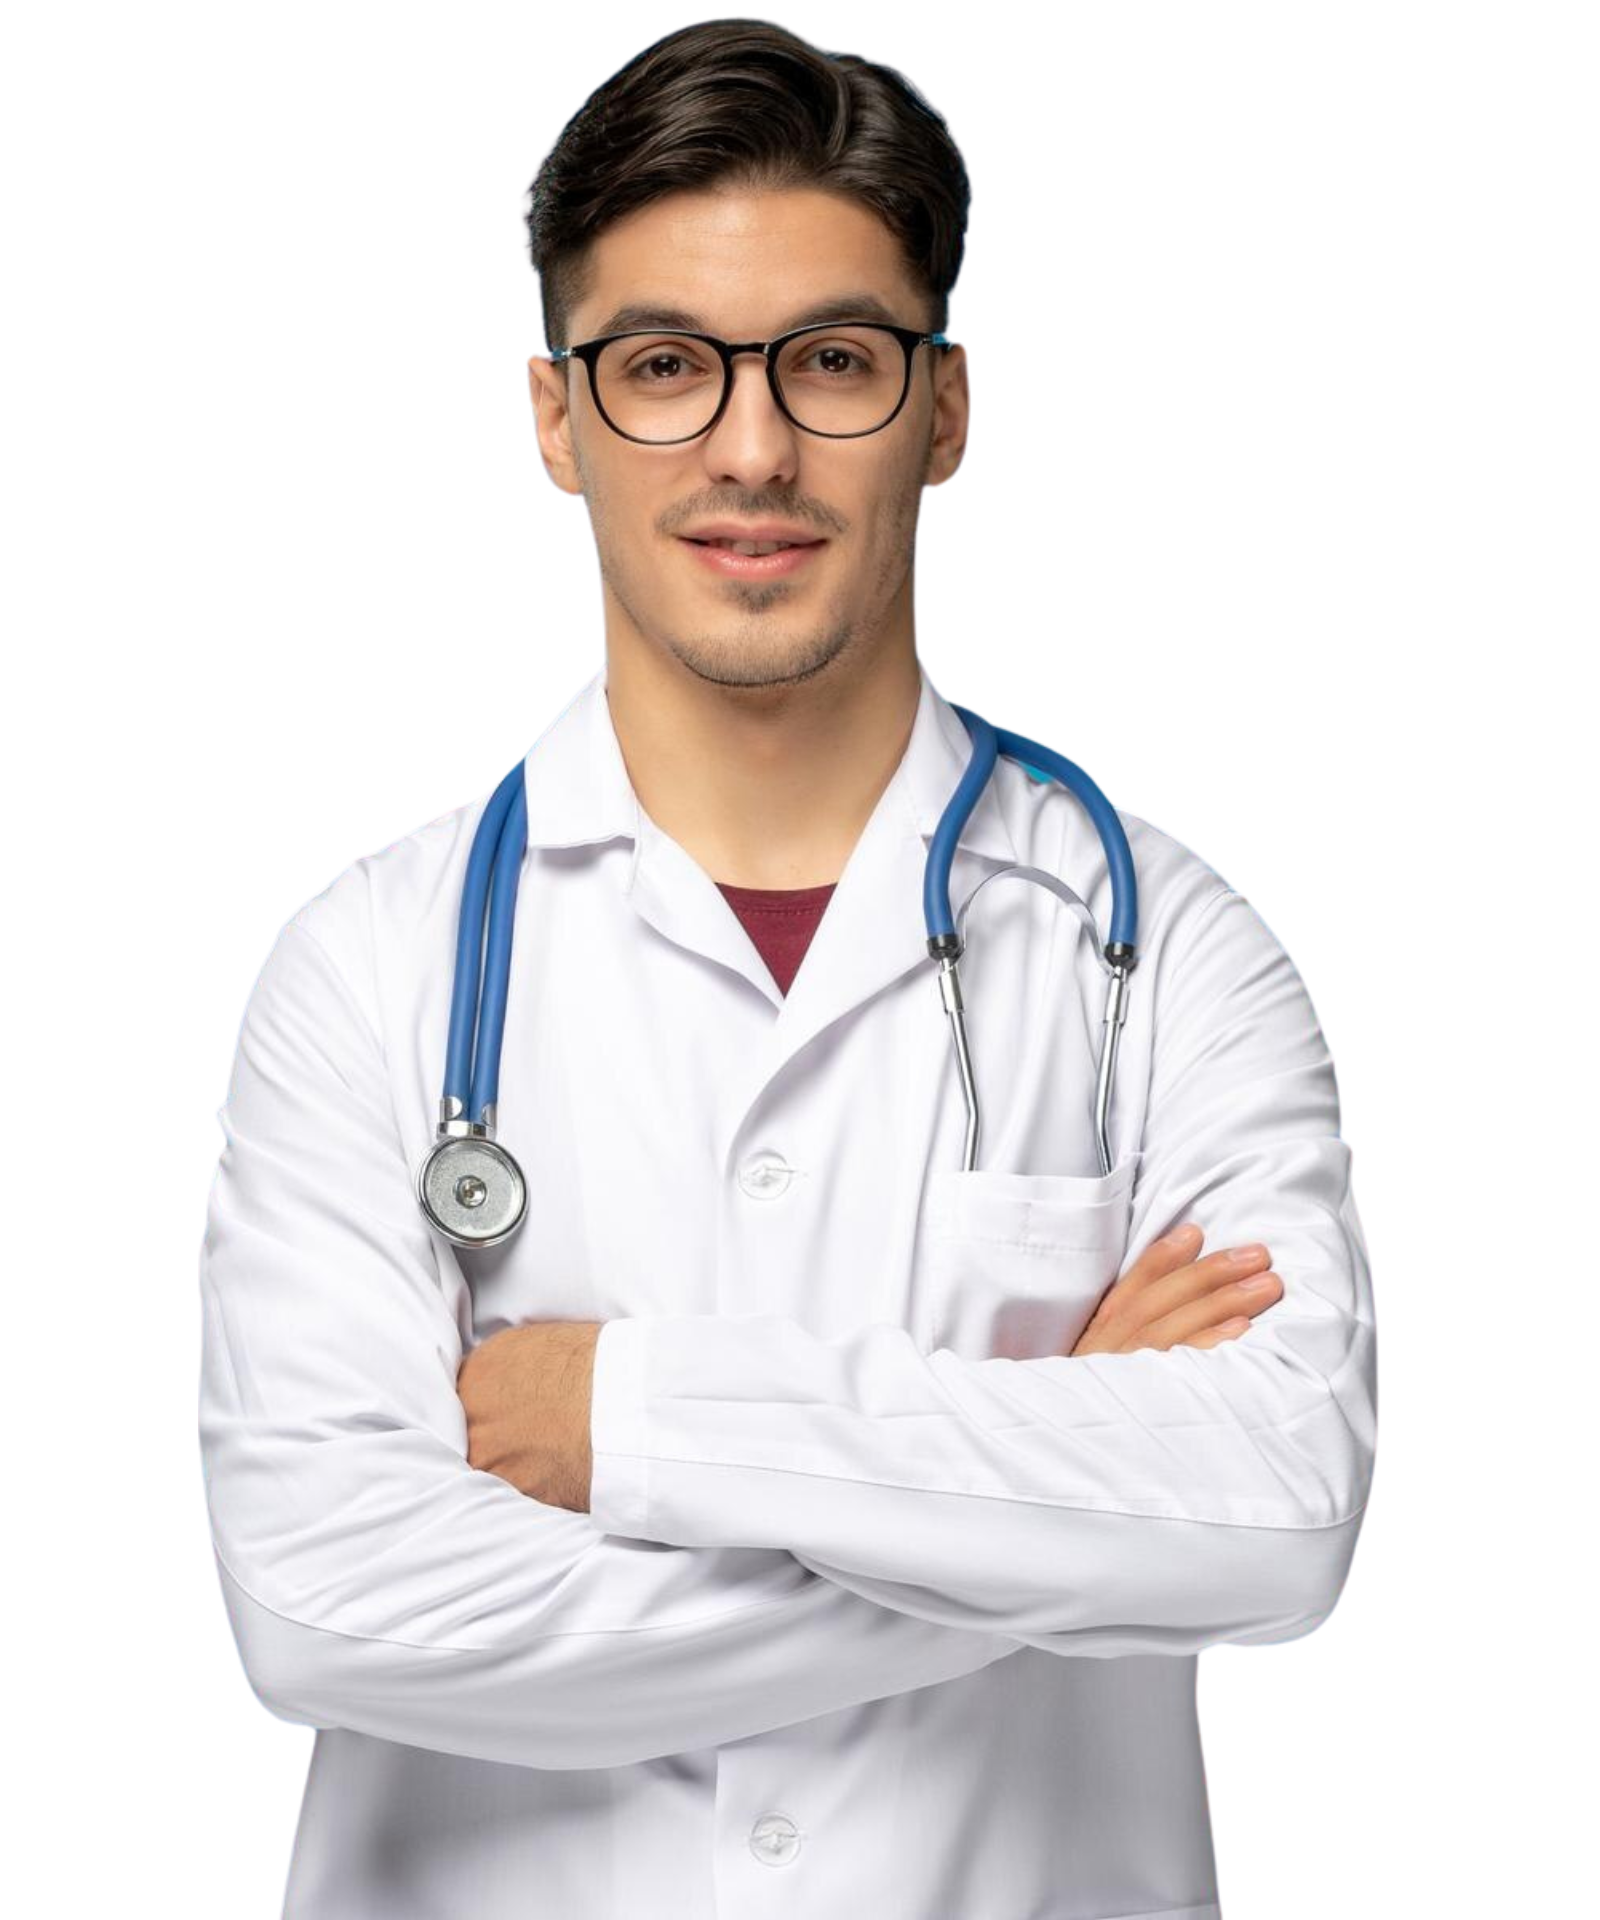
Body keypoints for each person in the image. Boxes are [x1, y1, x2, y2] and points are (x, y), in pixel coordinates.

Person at [197, 19, 1377, 1919]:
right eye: (664, 366)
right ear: (556, 420)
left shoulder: (1167, 947)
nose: (752, 448)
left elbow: (1281, 1510)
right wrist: (1047, 1519)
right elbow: (327, 1608)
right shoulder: (368, 967)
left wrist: (630, 1419)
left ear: (945, 409)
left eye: (832, 359)